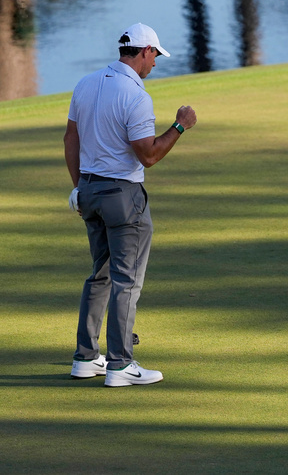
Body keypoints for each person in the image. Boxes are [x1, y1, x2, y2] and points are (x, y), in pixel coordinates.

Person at [63, 23, 197, 387]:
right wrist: (180, 126)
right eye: (155, 56)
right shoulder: (136, 96)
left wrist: (79, 186)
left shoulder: (86, 83)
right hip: (123, 198)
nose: (155, 65)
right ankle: (121, 364)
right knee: (127, 281)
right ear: (145, 52)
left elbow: (71, 137)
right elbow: (149, 155)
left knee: (100, 275)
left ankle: (87, 358)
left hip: (89, 192)